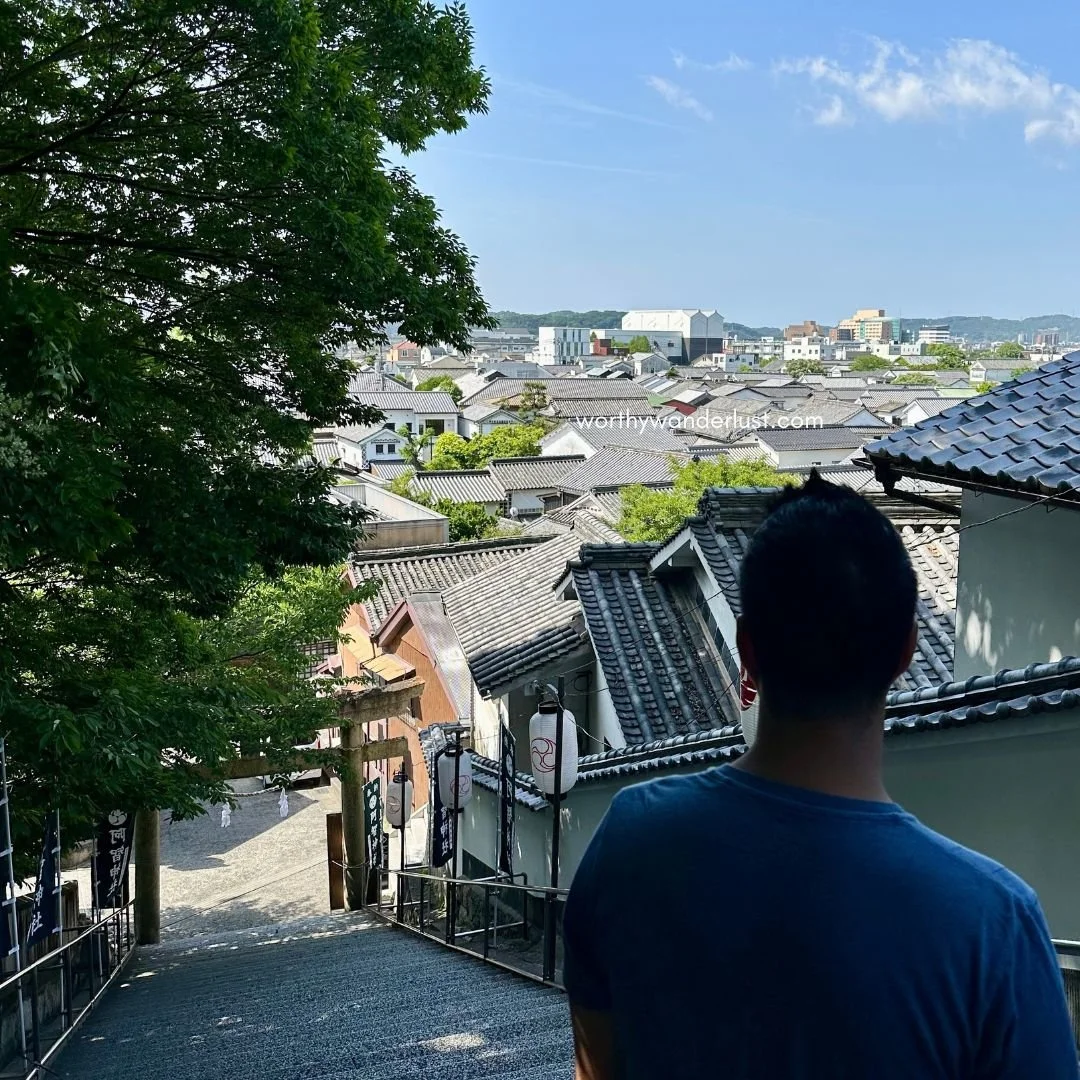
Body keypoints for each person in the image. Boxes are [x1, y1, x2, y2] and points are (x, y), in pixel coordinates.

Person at [563, 473, 1078, 1079]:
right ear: (907, 651)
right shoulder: (994, 925)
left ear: (747, 649)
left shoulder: (631, 839)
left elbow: (596, 1065)